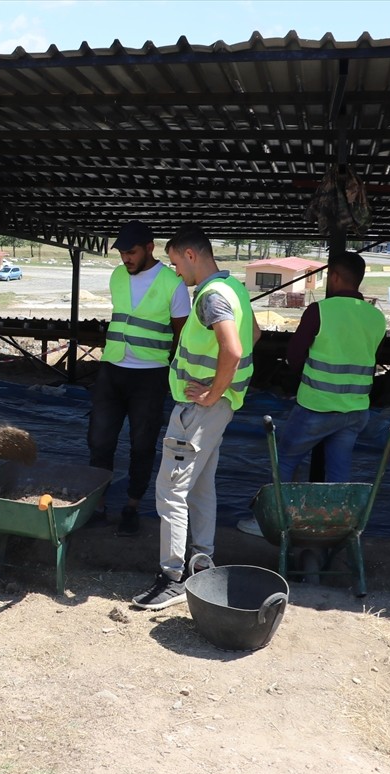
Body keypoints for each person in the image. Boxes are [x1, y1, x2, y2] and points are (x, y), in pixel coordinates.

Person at [132, 225, 260, 610]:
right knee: (201, 486)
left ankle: (171, 577)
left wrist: (212, 391)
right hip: (219, 409)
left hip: (200, 409)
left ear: (191, 255)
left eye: (174, 263)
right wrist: (224, 393)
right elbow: (253, 331)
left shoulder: (209, 297)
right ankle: (201, 563)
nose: (175, 273)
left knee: (170, 490)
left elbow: (233, 349)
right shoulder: (234, 288)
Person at [89, 220, 190, 536]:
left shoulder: (173, 285)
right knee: (99, 439)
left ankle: (132, 506)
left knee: (142, 445)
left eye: (131, 252)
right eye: (121, 253)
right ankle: (98, 505)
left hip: (150, 376)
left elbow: (181, 334)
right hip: (112, 370)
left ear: (150, 248)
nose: (125, 259)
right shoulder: (118, 276)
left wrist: (171, 373)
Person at [278, 251, 387, 482]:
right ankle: (336, 518)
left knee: (286, 460)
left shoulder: (320, 311)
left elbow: (294, 355)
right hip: (355, 411)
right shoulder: (376, 317)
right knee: (339, 470)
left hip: (316, 407)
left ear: (335, 276)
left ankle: (274, 517)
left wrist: (305, 377)